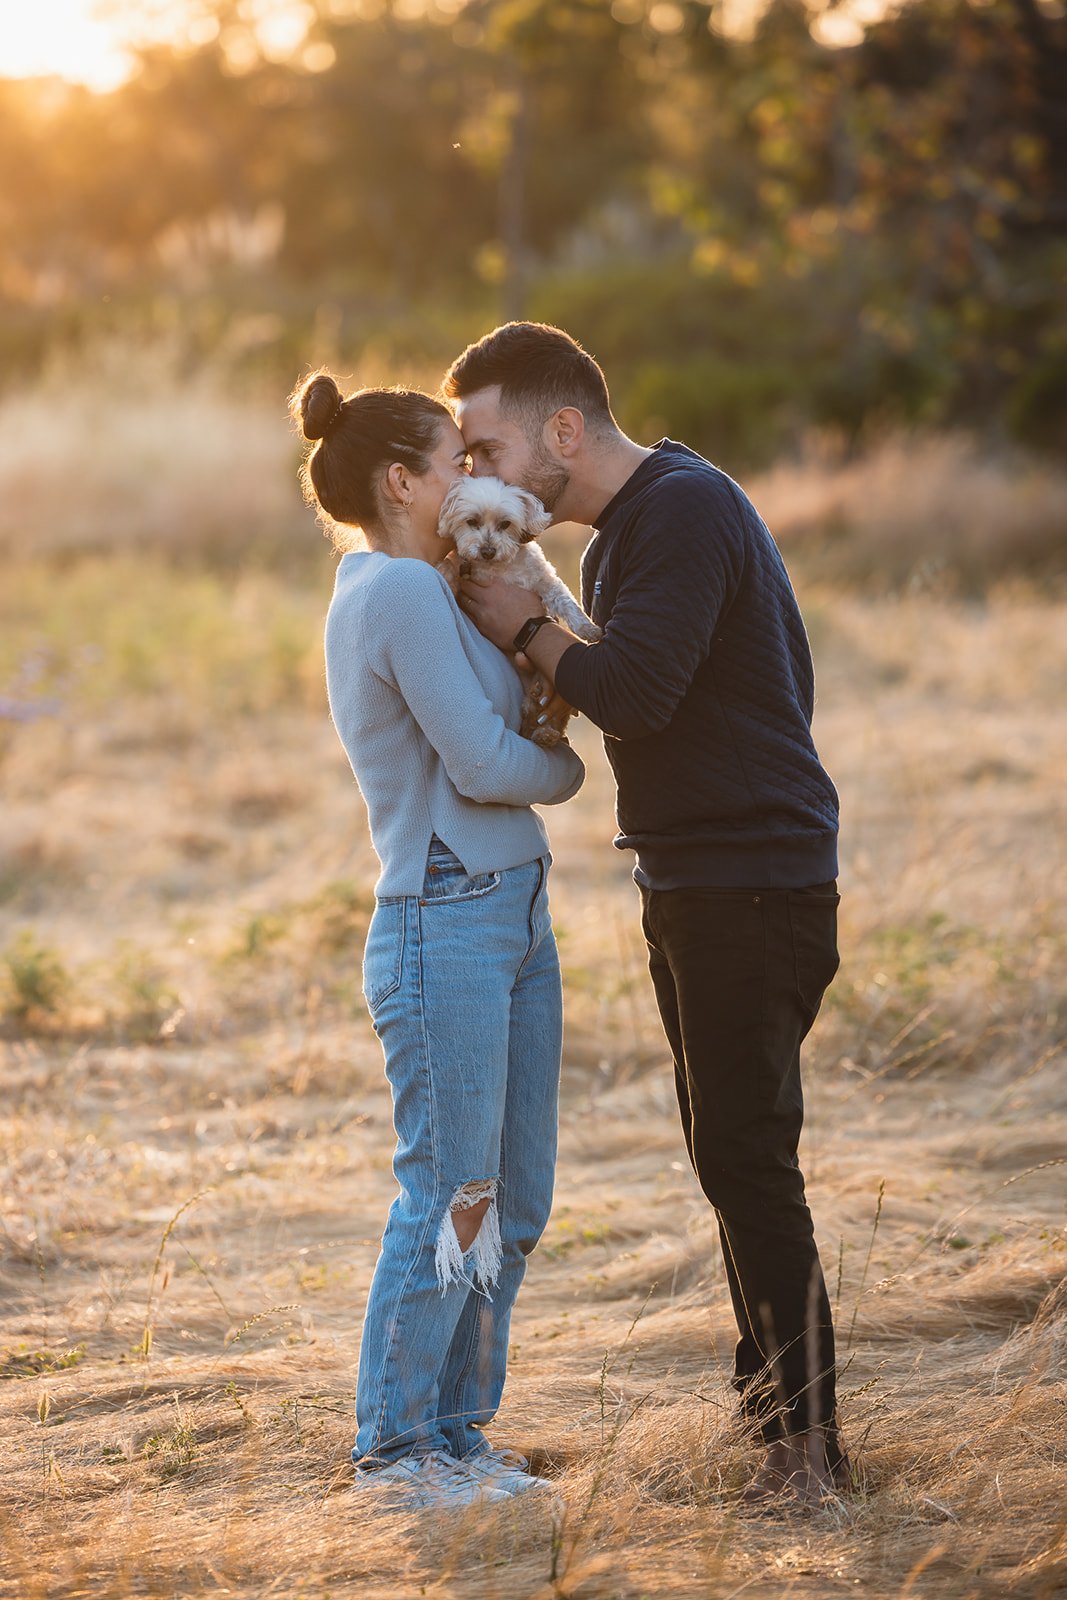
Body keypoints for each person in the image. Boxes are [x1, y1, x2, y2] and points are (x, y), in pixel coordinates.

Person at [443, 322, 847, 1508]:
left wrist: (520, 623)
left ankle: (805, 1457)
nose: (474, 474)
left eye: (486, 445)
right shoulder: (641, 525)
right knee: (732, 1160)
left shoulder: (676, 511)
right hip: (703, 876)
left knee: (746, 1161)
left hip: (749, 882)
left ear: (563, 430)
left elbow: (633, 693)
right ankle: (779, 1426)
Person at [291, 368, 584, 1509]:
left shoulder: (441, 585)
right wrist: (564, 769)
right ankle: (397, 1448)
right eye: (456, 462)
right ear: (402, 481)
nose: (477, 473)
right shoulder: (395, 595)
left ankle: (459, 1433)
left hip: (505, 909)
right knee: (454, 1192)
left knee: (513, 1197)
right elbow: (484, 763)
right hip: (445, 913)